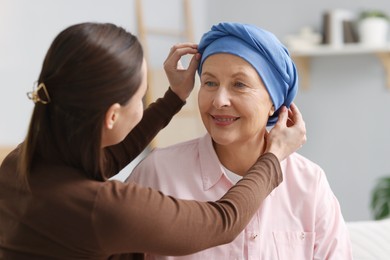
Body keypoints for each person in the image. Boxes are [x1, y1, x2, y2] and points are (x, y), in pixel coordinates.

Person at [0, 22, 306, 259]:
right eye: (141, 97)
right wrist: (273, 157)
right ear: (112, 117)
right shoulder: (108, 207)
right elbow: (223, 222)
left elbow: (111, 155)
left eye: (239, 84)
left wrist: (173, 98)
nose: (220, 100)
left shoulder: (21, 164)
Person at [128, 22, 353, 259]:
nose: (219, 100)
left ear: (274, 103)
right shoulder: (158, 174)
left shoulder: (309, 182)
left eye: (239, 84)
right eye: (210, 83)